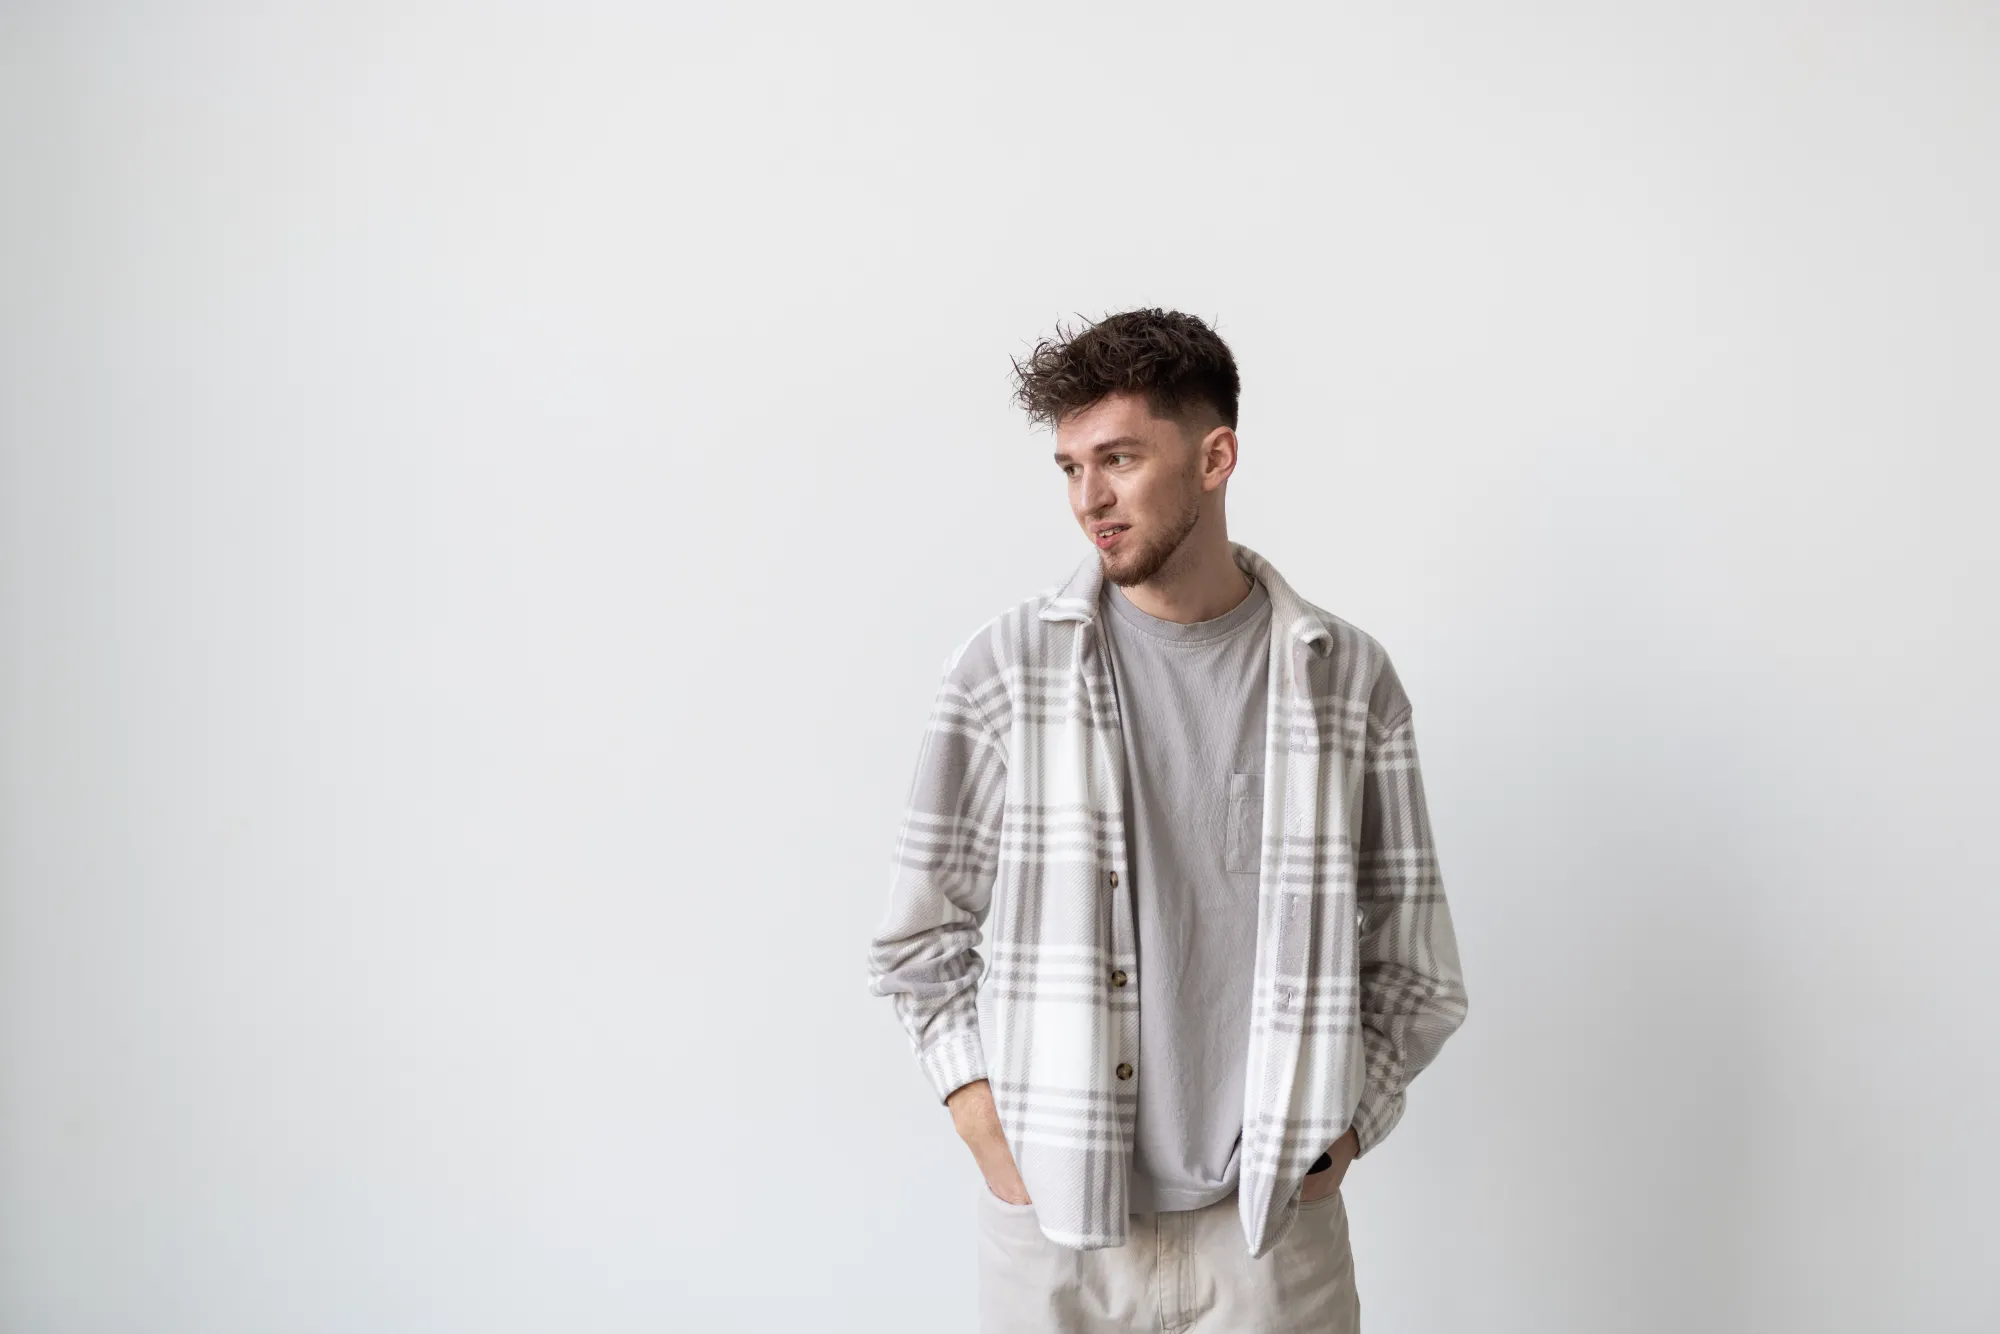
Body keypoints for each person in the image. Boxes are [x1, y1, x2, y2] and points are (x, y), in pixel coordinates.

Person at [865, 307, 1469, 1333]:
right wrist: (988, 1130)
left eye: (1117, 459)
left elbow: (1415, 965)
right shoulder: (1002, 673)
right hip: (1053, 1236)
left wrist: (1344, 1131)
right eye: (1066, 467)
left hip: (1271, 1238)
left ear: (1214, 456)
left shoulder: (1345, 682)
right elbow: (918, 937)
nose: (1086, 499)